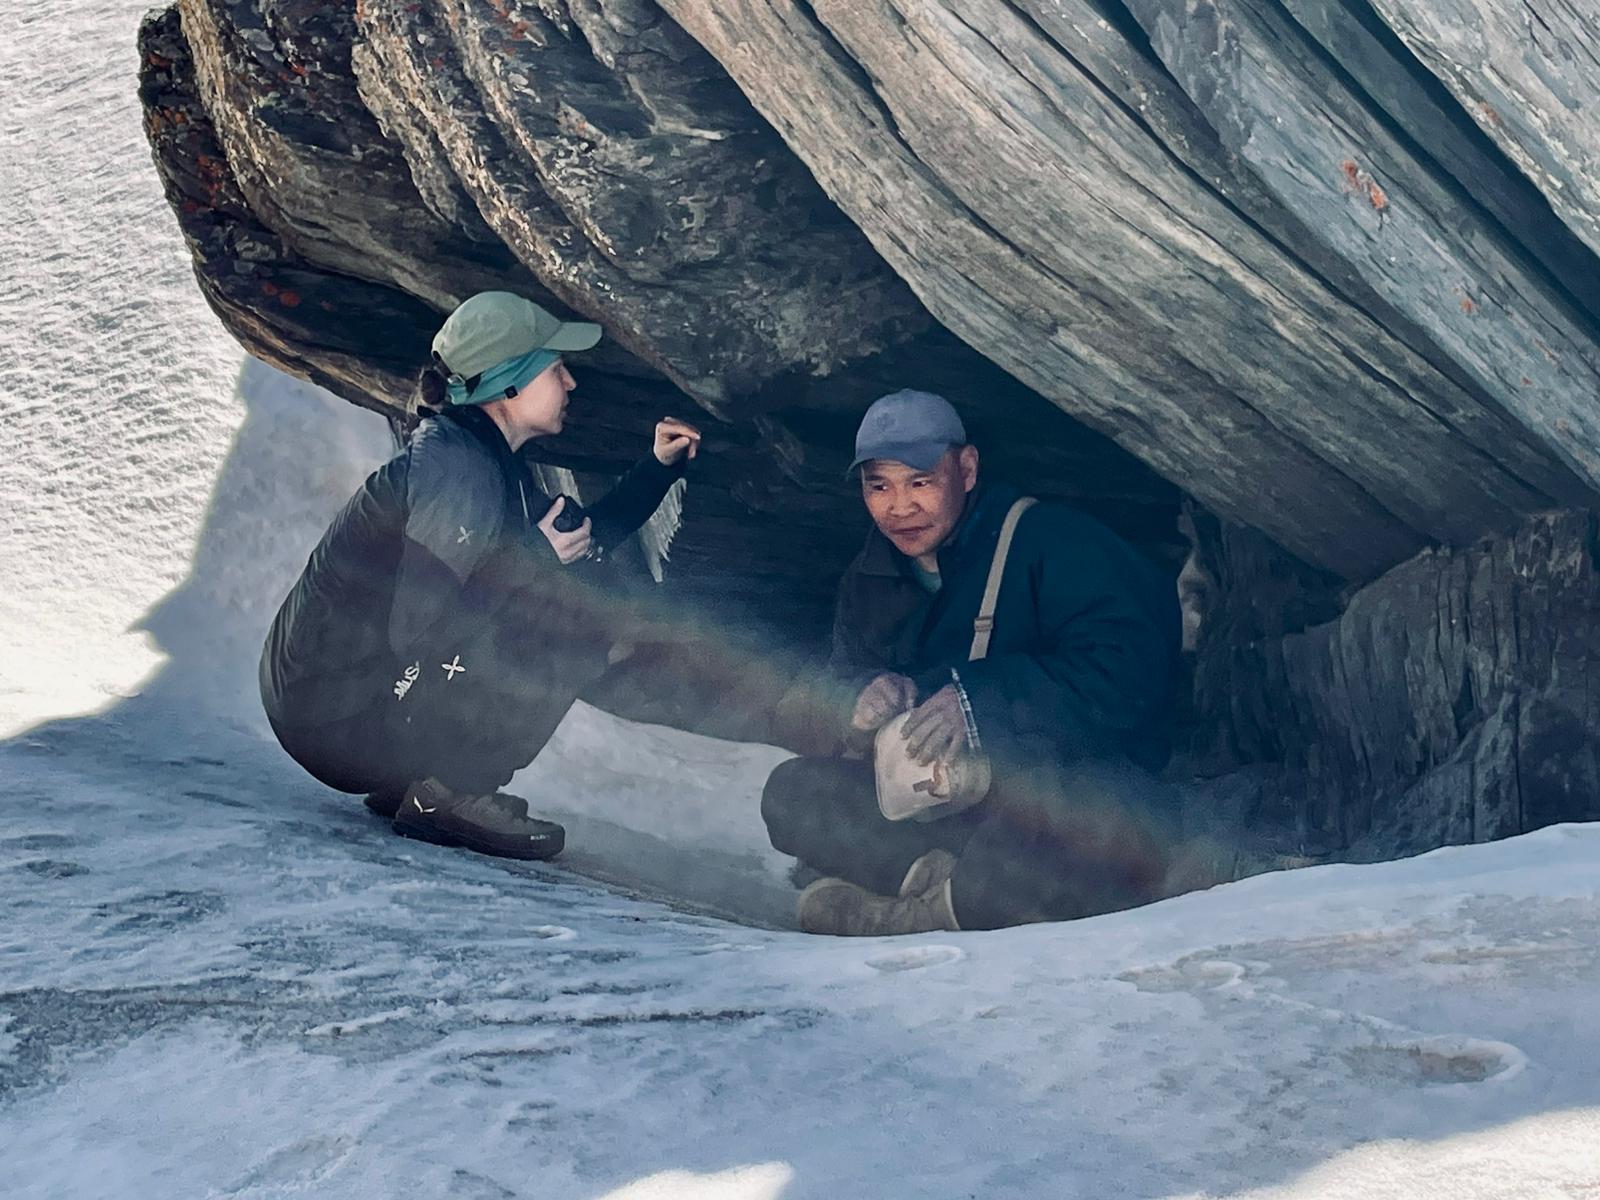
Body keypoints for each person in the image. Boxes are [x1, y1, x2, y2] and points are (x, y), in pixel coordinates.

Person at [260, 291, 700, 860]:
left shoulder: (482, 455)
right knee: (577, 615)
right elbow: (419, 632)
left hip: (342, 703)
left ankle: (416, 779)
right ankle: (446, 795)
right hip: (339, 719)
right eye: (556, 369)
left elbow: (577, 539)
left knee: (564, 584)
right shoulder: (459, 476)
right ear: (508, 384)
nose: (571, 384)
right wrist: (536, 561)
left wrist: (656, 471)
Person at [764, 389, 1183, 934]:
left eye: (920, 482)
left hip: (1051, 793)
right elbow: (835, 680)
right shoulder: (869, 578)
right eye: (879, 486)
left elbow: (1134, 672)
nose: (899, 507)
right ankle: (939, 886)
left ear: (965, 469)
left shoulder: (1052, 543)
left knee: (1081, 832)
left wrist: (980, 703)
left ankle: (913, 914)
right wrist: (857, 699)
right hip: (936, 809)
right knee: (790, 793)